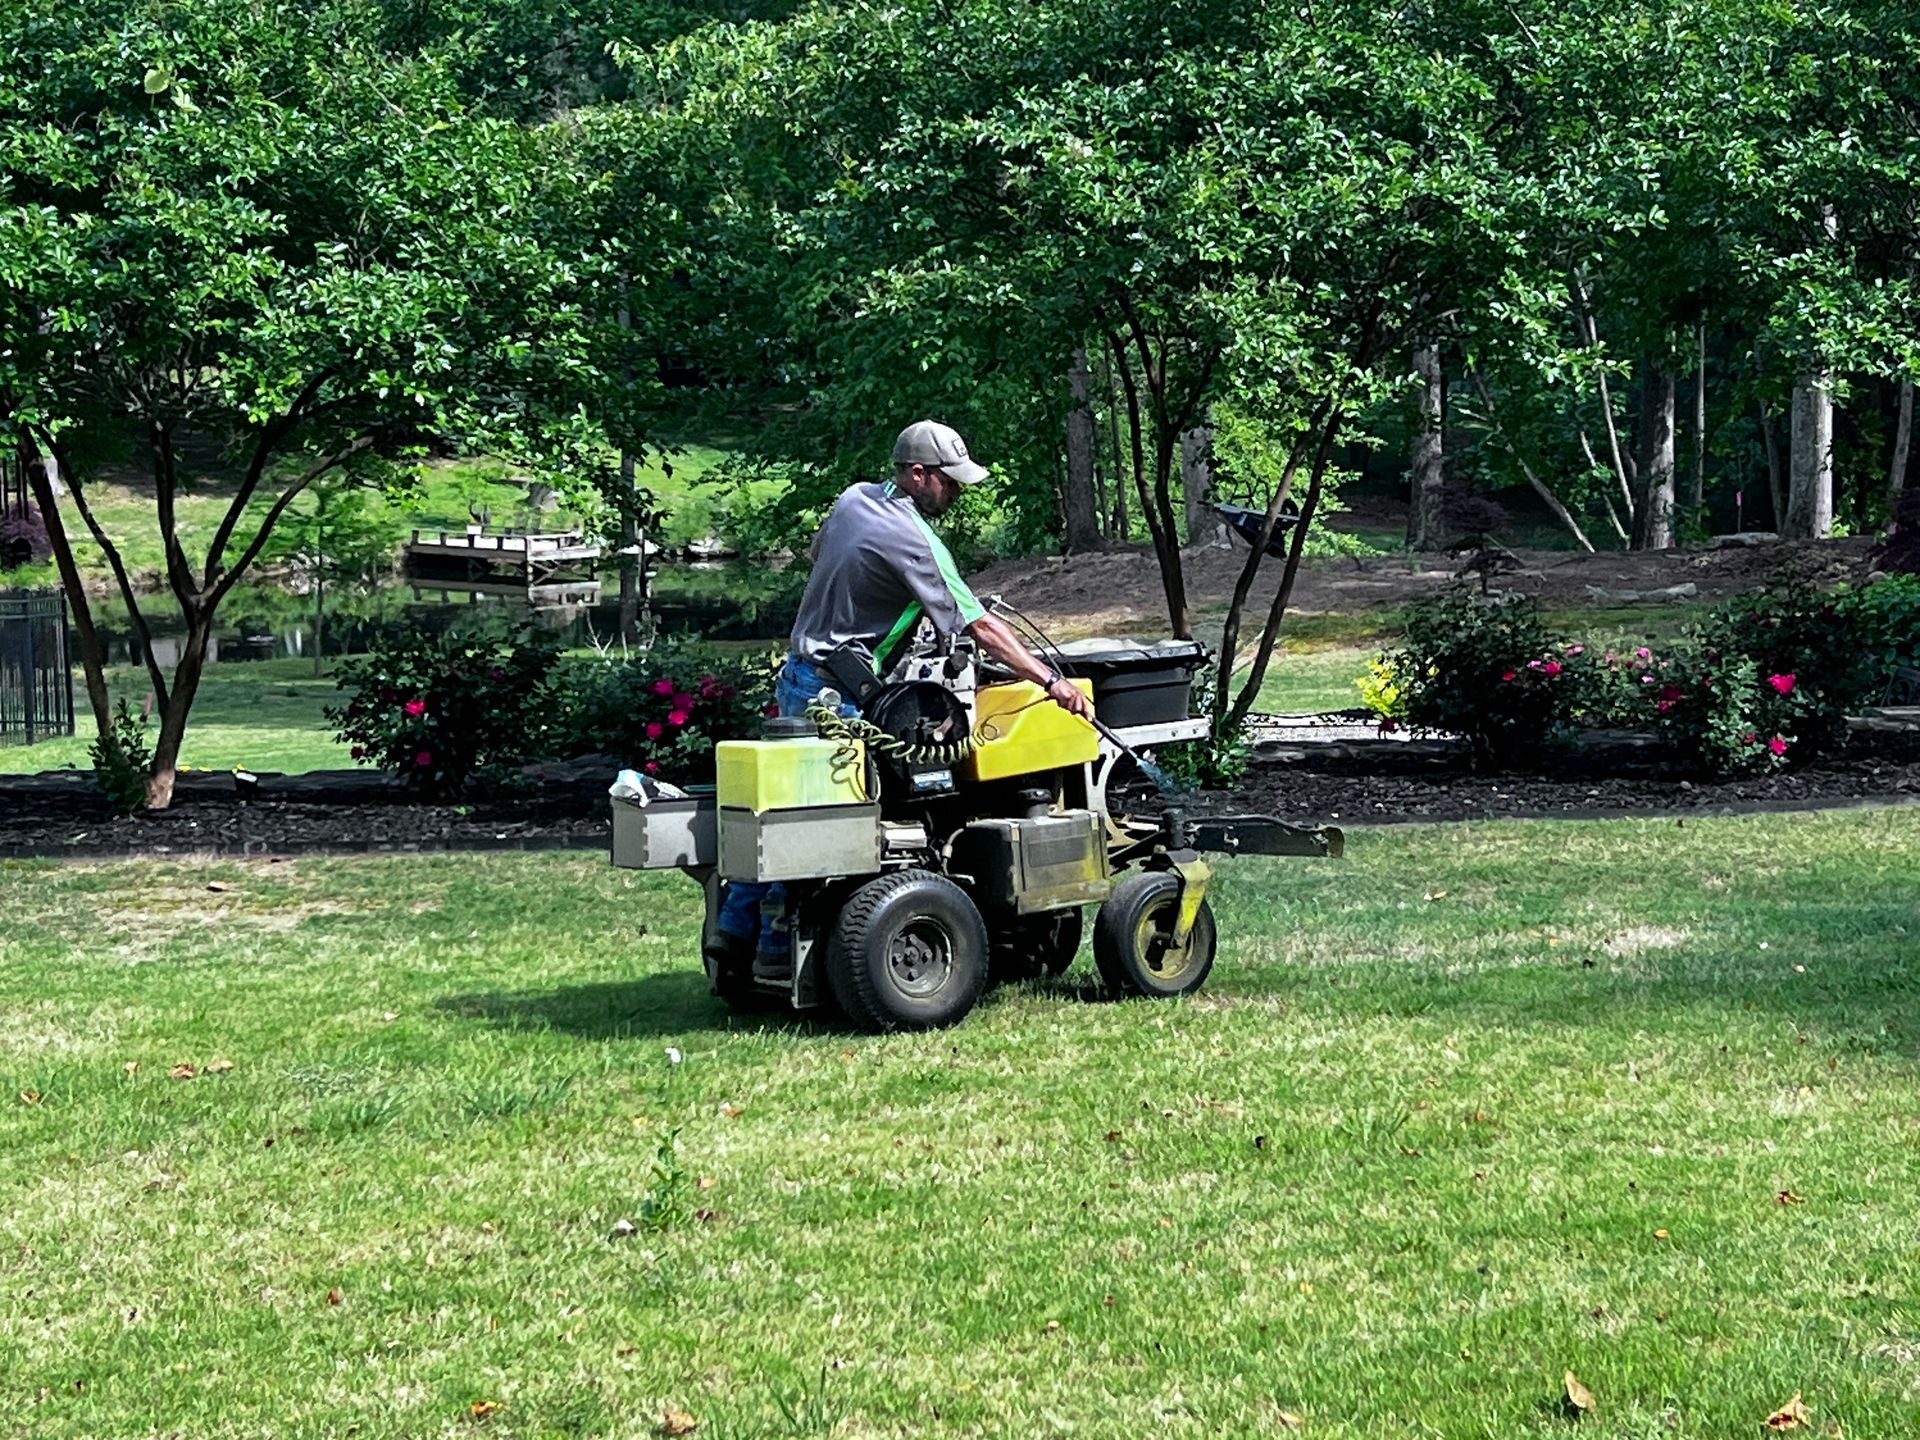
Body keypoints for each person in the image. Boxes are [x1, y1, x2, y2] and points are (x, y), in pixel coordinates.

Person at [713, 419, 1097, 982]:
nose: (958, 492)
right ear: (920, 475)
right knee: (822, 831)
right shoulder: (915, 537)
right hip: (836, 696)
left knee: (780, 810)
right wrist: (1052, 682)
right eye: (951, 481)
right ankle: (777, 949)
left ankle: (733, 928)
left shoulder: (852, 500)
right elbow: (981, 626)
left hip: (799, 674)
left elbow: (823, 556)